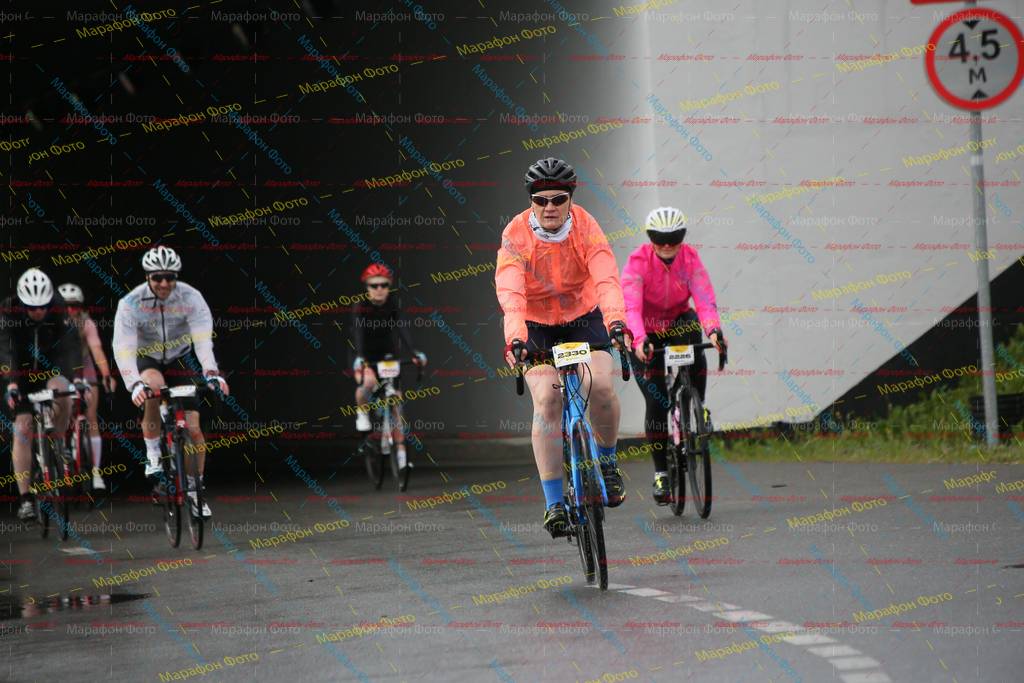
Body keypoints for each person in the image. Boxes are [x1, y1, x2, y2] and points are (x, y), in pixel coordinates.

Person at [496, 157, 632, 539]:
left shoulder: (587, 226)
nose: (550, 207)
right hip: (536, 326)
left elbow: (606, 279)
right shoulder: (515, 234)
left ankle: (607, 463)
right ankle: (554, 502)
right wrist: (516, 338)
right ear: (531, 201)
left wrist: (616, 322)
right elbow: (511, 293)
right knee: (547, 401)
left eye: (558, 199)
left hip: (582, 318)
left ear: (570, 198)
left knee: (601, 387)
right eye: (541, 200)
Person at [112, 246, 228, 518]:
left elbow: (202, 340)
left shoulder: (191, 297)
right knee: (152, 388)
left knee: (194, 430)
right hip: (147, 358)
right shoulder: (130, 303)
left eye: (170, 277)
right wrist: (133, 384)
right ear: (147, 277)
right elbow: (123, 346)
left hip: (179, 357)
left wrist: (211, 372)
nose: (164, 283)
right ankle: (153, 452)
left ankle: (195, 490)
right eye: (157, 277)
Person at [621, 206, 726, 504]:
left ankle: (698, 405)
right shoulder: (638, 262)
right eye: (659, 239)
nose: (667, 245)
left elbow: (704, 299)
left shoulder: (690, 258)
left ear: (683, 237)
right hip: (646, 331)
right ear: (650, 238)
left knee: (694, 334)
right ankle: (661, 474)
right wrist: (639, 340)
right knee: (657, 402)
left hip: (678, 321)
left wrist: (714, 331)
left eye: (674, 238)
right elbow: (631, 308)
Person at [0, 268, 83, 522]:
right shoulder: (8, 311)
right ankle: (26, 498)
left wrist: (77, 378)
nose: (38, 312)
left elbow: (70, 345)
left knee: (64, 391)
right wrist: (12, 384)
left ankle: (59, 442)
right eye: (32, 308)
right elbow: (6, 350)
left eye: (42, 307)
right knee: (22, 427)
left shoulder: (58, 306)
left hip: (50, 367)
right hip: (20, 372)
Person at [351, 263, 427, 474]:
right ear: (367, 287)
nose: (379, 289)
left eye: (384, 285)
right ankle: (363, 416)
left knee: (396, 404)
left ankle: (401, 458)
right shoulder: (360, 305)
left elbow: (401, 327)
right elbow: (357, 333)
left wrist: (414, 352)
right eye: (374, 286)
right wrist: (360, 358)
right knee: (367, 383)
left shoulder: (392, 303)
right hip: (364, 355)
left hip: (387, 356)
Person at [58, 283, 118, 490]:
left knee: (91, 416)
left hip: (85, 368)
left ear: (81, 307)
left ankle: (95, 471)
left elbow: (97, 350)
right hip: (60, 369)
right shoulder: (51, 322)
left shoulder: (87, 323)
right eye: (65, 306)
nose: (70, 310)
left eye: (75, 306)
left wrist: (106, 375)